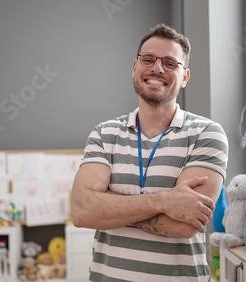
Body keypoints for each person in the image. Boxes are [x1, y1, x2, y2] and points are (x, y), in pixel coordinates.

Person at [71, 24, 229, 281]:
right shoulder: (104, 133)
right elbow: (81, 211)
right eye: (148, 59)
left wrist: (108, 206)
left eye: (170, 63)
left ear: (185, 77)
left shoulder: (207, 134)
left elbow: (183, 225)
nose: (157, 68)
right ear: (135, 68)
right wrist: (166, 202)